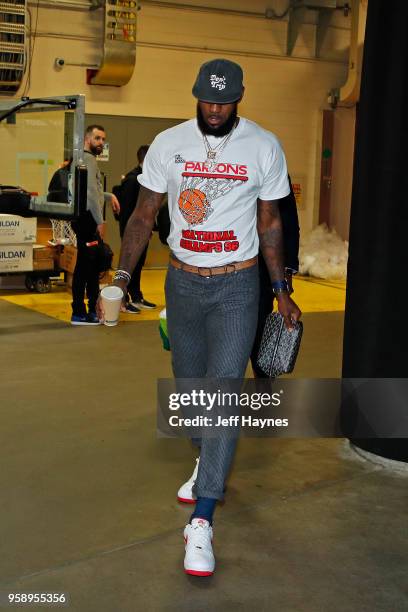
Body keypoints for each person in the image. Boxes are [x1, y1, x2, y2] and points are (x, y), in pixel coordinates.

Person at [98, 58, 301, 575]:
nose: (215, 110)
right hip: (183, 282)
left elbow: (272, 222)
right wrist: (120, 279)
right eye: (208, 100)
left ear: (239, 98)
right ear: (195, 96)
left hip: (238, 284)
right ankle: (204, 455)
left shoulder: (263, 146)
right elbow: (144, 215)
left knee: (225, 389)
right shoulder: (170, 144)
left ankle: (203, 520)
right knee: (192, 396)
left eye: (225, 101)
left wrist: (281, 289)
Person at [71, 125, 120, 325]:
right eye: (97, 138)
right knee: (85, 268)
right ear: (87, 138)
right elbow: (90, 195)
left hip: (86, 219)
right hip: (87, 221)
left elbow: (94, 191)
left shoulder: (86, 159)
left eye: (103, 139)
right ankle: (79, 312)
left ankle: (90, 310)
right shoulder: (87, 159)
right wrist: (100, 222)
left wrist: (110, 196)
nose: (101, 143)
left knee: (90, 267)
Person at [251, 175, 300, 376]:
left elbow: (288, 220)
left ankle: (263, 394)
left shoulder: (269, 163)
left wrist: (286, 272)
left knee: (261, 334)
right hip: (221, 268)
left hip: (263, 269)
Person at [115, 145, 156, 313]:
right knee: (130, 265)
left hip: (142, 232)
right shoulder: (133, 180)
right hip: (132, 232)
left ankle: (136, 296)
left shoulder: (145, 179)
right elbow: (128, 211)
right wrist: (129, 233)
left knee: (139, 265)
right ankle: (124, 299)